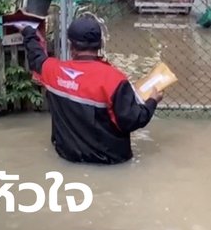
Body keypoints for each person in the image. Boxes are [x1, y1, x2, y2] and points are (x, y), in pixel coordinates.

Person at [17, 16, 163, 165]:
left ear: (70, 45)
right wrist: (152, 101)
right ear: (100, 44)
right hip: (110, 162)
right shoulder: (115, 80)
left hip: (67, 157)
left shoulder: (53, 71)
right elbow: (132, 121)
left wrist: (28, 32)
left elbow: (36, 57)